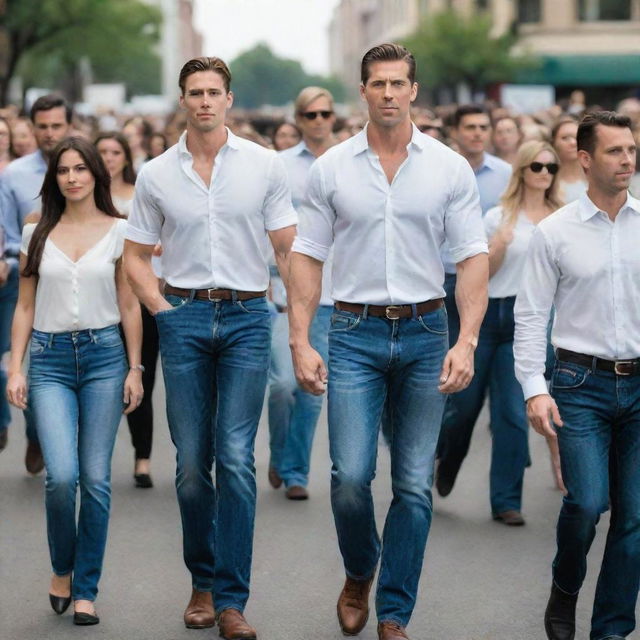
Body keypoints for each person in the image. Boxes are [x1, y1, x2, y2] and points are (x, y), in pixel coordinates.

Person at [288, 43, 488, 640]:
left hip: (428, 332)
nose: (390, 94)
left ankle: (395, 612)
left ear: (414, 91)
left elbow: (472, 258)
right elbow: (306, 256)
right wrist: (300, 339)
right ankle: (359, 571)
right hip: (353, 330)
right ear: (364, 91)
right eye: (378, 84)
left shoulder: (449, 167)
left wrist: (468, 339)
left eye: (399, 83)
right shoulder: (332, 169)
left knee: (411, 483)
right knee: (350, 477)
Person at [124, 56, 296, 639]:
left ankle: (230, 600)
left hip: (249, 315)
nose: (203, 101)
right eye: (194, 92)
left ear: (229, 99)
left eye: (213, 92)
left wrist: (298, 331)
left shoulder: (265, 165)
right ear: (182, 100)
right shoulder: (155, 174)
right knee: (193, 464)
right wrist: (163, 315)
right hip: (185, 316)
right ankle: (201, 578)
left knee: (237, 458)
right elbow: (135, 258)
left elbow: (287, 250)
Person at [6, 136, 143, 626]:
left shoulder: (121, 230)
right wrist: (16, 366)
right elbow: (24, 305)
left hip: (106, 357)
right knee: (62, 478)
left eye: (81, 168)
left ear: (95, 175)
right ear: (54, 178)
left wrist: (135, 367)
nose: (72, 177)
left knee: (98, 479)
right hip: (49, 359)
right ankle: (61, 567)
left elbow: (129, 304)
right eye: (63, 170)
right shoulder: (35, 231)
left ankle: (86, 588)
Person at [514, 111, 640, 640]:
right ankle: (565, 586)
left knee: (634, 520)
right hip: (577, 384)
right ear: (584, 159)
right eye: (615, 151)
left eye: (632, 149)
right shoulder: (554, 233)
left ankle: (610, 629)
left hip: (638, 385)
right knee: (587, 504)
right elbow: (530, 317)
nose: (628, 160)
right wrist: (535, 390)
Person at [436, 140, 563, 524]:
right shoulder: (498, 216)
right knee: (464, 407)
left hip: (528, 322)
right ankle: (447, 460)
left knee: (511, 411)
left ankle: (506, 500)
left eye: (551, 168)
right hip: (490, 315)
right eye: (537, 167)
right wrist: (499, 246)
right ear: (522, 170)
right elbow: (478, 273)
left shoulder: (561, 218)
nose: (544, 174)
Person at [267, 86, 336, 500]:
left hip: (330, 293)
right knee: (281, 385)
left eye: (325, 113)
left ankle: (296, 471)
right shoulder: (278, 166)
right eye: (310, 115)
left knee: (313, 386)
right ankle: (279, 452)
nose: (318, 121)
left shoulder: (350, 161)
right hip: (282, 289)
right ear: (298, 120)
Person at [0, 94, 71, 471]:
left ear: (68, 126)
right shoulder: (13, 175)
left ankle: (56, 436)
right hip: (26, 276)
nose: (48, 133)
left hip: (77, 279)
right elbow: (3, 228)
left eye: (56, 126)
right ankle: (35, 431)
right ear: (31, 128)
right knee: (22, 359)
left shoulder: (86, 167)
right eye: (41, 127)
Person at [96, 131, 159, 488]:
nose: (108, 157)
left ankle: (143, 457)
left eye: (115, 151)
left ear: (126, 156)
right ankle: (96, 455)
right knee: (103, 384)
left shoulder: (140, 195)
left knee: (142, 379)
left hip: (142, 297)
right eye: (102, 151)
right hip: (100, 300)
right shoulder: (88, 196)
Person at [552, 116, 587, 203]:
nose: (573, 142)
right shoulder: (546, 179)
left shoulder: (597, 178)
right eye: (565, 138)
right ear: (553, 142)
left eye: (577, 137)